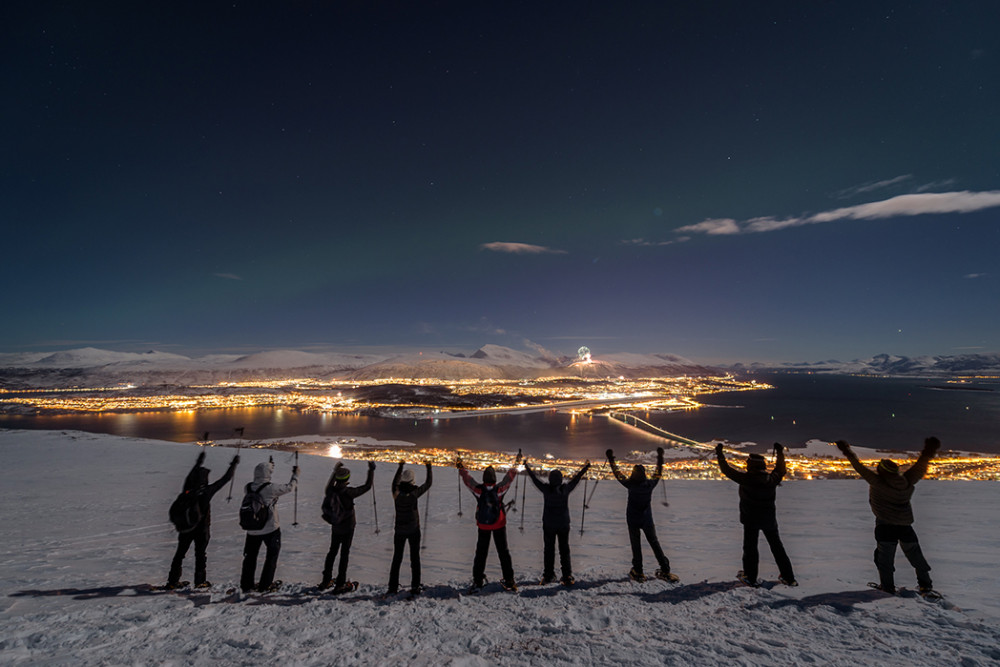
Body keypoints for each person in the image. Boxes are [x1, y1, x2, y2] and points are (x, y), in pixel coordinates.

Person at [836, 437, 940, 595]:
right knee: (915, 556)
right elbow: (920, 466)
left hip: (885, 526)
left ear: (881, 471)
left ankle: (887, 587)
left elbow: (858, 467)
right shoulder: (907, 481)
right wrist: (929, 451)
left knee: (884, 559)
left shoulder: (878, 482)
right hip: (905, 526)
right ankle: (925, 585)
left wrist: (846, 451)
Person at [716, 443, 796, 587]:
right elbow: (781, 469)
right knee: (777, 548)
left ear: (751, 466)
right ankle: (789, 577)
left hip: (750, 519)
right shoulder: (771, 479)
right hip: (769, 520)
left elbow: (726, 470)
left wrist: (720, 454)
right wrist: (780, 452)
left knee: (750, 549)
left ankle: (750, 577)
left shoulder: (746, 479)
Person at [166, 450, 239, 589]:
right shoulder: (206, 491)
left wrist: (198, 462)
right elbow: (226, 479)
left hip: (186, 528)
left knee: (179, 554)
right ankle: (200, 582)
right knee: (200, 555)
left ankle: (172, 581)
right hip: (202, 530)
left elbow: (190, 476)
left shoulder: (187, 489)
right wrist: (233, 464)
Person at [606, 447, 678, 583]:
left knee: (636, 545)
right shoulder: (650, 484)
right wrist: (660, 457)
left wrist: (611, 459)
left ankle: (638, 571)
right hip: (647, 519)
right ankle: (665, 568)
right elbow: (658, 472)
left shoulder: (630, 484)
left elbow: (617, 474)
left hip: (633, 519)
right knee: (654, 543)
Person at [458, 452, 522, 591]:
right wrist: (517, 462)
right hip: (499, 524)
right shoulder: (499, 490)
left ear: (484, 478)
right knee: (503, 552)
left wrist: (460, 466)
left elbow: (467, 480)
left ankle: (478, 580)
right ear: (494, 479)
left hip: (483, 525)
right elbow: (509, 477)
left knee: (481, 553)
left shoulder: (478, 490)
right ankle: (509, 580)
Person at [523, 458, 590, 585]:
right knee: (564, 549)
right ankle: (567, 575)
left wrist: (527, 467)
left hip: (548, 524)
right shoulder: (565, 490)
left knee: (549, 549)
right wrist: (585, 468)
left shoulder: (546, 490)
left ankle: (548, 575)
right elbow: (576, 479)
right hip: (564, 524)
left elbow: (534, 479)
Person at [239, 457, 298, 593]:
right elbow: (289, 488)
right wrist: (295, 475)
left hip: (252, 529)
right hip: (270, 528)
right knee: (271, 556)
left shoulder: (248, 487)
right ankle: (265, 585)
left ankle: (246, 585)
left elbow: (261, 479)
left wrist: (270, 466)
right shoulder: (271, 489)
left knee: (250, 557)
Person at [319, 460, 376, 593]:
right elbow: (367, 486)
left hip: (336, 526)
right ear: (347, 479)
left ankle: (326, 580)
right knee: (344, 554)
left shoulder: (331, 491)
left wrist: (335, 471)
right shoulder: (349, 492)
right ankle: (340, 583)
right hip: (348, 527)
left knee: (332, 552)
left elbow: (329, 485)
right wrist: (371, 470)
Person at [388, 460, 432, 596]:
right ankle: (415, 586)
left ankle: (393, 587)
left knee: (397, 558)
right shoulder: (414, 494)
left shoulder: (396, 493)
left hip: (399, 530)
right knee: (415, 558)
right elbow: (428, 484)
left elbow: (394, 483)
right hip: (413, 529)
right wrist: (429, 467)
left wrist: (400, 467)